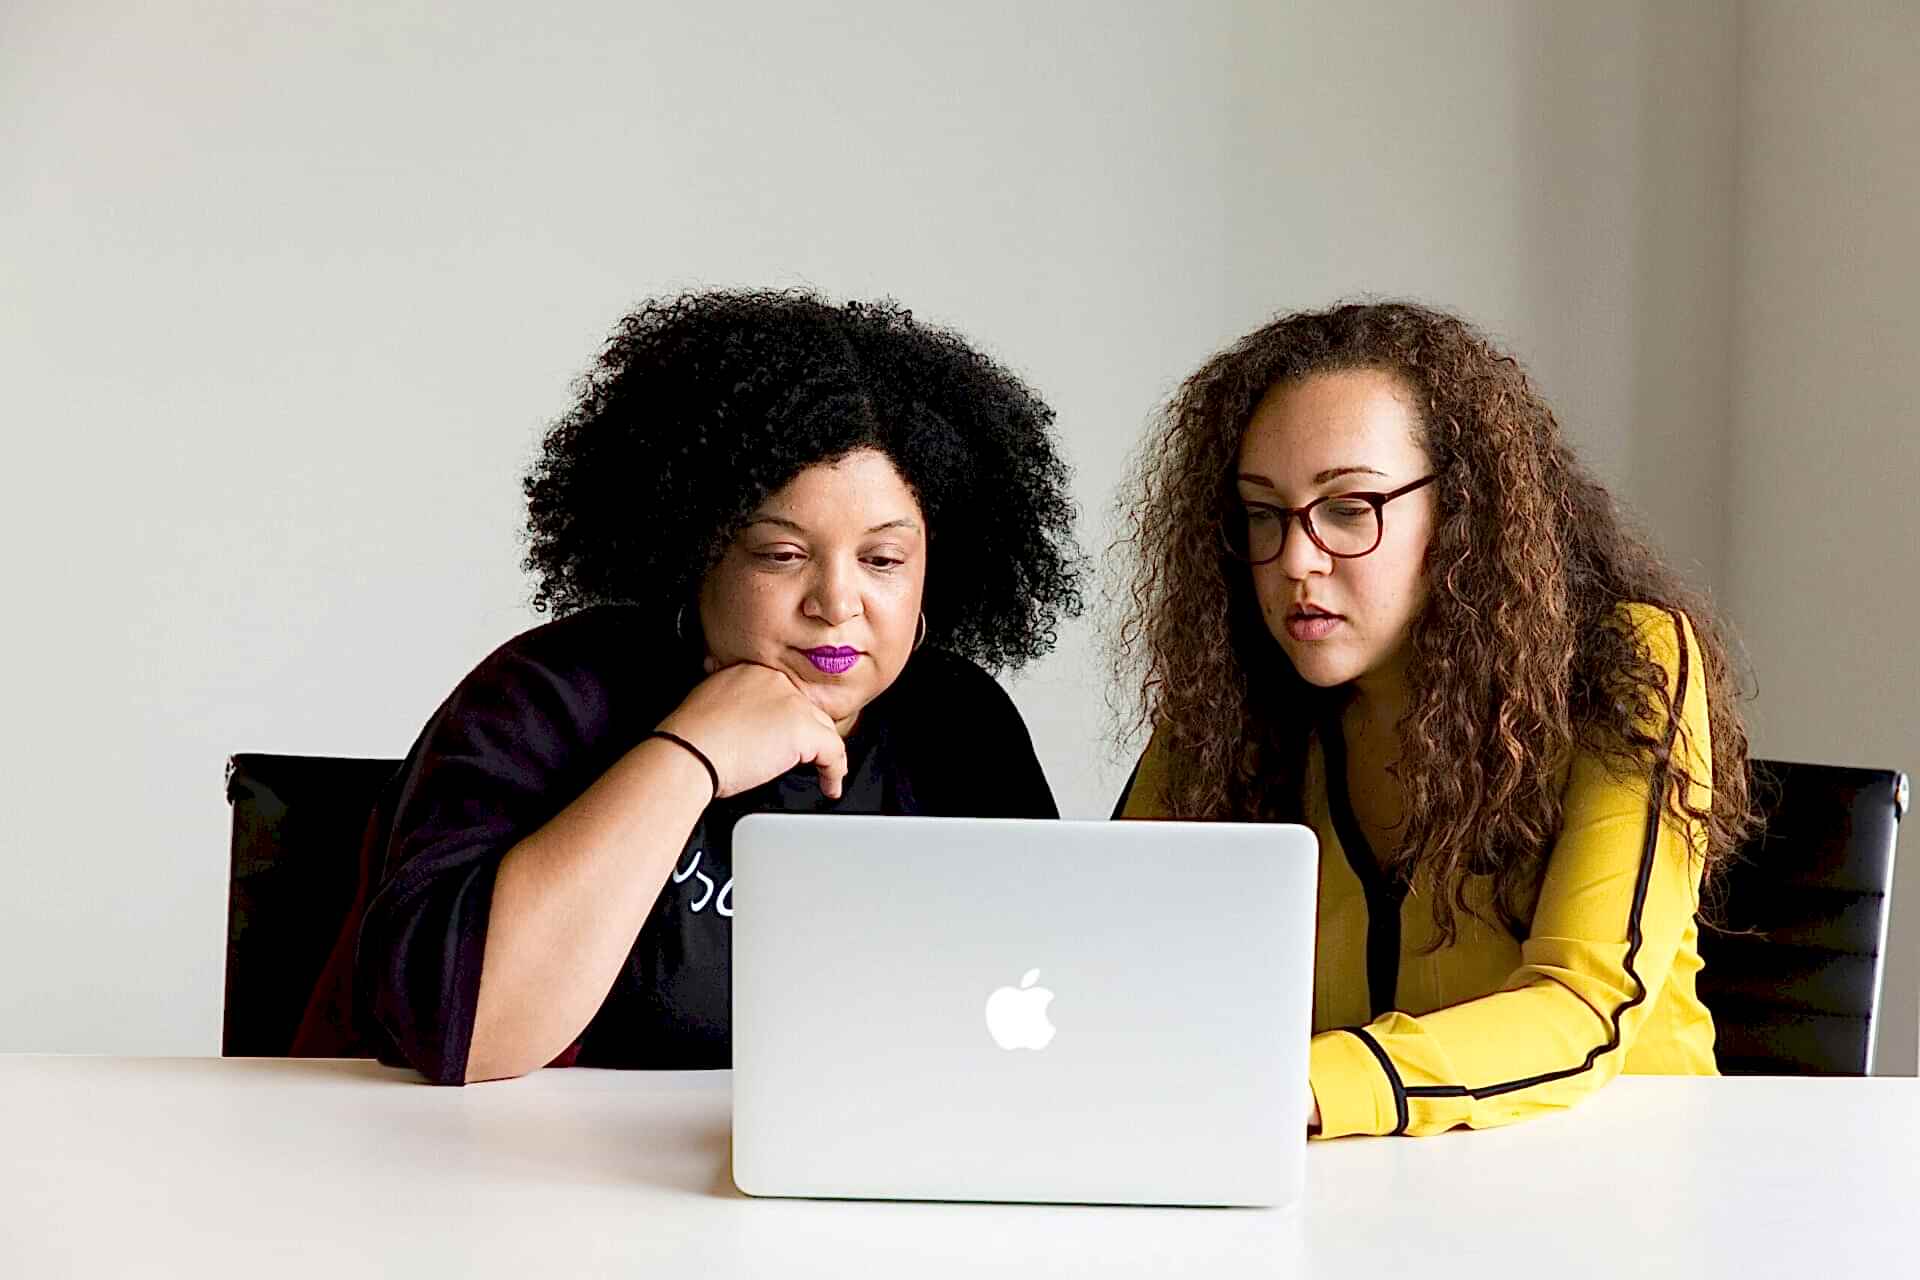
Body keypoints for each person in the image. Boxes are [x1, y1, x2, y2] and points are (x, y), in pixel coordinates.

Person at [300, 290, 1082, 1084]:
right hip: (516, 1182)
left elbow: (1059, 1007)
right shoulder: (550, 694)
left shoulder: (961, 725)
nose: (837, 603)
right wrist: (691, 753)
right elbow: (462, 1039)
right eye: (780, 554)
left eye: (882, 561)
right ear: (696, 551)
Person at [1112, 300, 1758, 1137]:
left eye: (1349, 509)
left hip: (1620, 1182)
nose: (1295, 559)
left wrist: (1297, 1087)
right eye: (1263, 515)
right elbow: (1116, 947)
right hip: (1335, 1183)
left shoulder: (1624, 665)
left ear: (1461, 514)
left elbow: (1583, 1007)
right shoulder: (1232, 693)